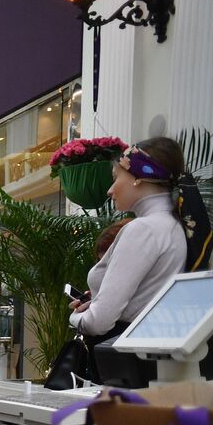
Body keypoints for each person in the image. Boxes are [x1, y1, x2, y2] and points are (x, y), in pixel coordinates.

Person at [69, 137, 200, 385]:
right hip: (147, 358)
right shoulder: (172, 226)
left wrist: (76, 319)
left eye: (116, 177)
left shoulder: (144, 229)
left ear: (138, 177)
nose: (110, 190)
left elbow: (99, 321)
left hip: (121, 363)